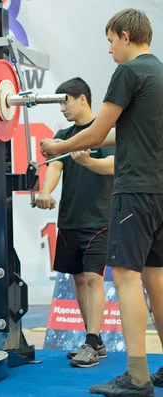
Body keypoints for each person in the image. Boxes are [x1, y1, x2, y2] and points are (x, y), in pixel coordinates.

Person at [41, 9, 161, 396]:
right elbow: (121, 135)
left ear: (126, 36)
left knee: (126, 278)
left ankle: (138, 377)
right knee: (157, 279)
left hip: (136, 192)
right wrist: (84, 153)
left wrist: (60, 146)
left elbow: (95, 132)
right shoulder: (160, 73)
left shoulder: (129, 73)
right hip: (160, 191)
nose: (109, 49)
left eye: (110, 40)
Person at [36, 77, 114, 368]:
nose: (62, 109)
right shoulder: (66, 136)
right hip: (69, 219)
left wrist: (88, 162)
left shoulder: (104, 134)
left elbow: (113, 166)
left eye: (64, 102)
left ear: (82, 98)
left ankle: (92, 342)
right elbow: (55, 165)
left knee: (94, 278)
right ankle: (94, 340)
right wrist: (45, 193)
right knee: (79, 280)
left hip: (99, 218)